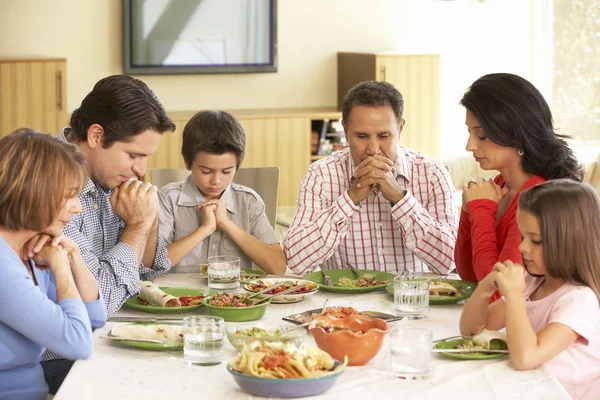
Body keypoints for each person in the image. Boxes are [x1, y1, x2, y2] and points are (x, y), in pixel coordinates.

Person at [35, 74, 176, 394]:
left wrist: (149, 217)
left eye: (146, 158)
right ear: (96, 135)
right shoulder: (50, 186)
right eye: (133, 155)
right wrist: (137, 227)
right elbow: (103, 302)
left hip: (100, 336)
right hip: (55, 356)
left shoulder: (108, 177)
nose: (141, 170)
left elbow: (147, 270)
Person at [284, 81, 458, 275]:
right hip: (343, 304)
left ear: (400, 128)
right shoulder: (321, 174)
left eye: (384, 136)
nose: (373, 149)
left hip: (411, 301)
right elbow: (296, 262)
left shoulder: (432, 174)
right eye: (362, 136)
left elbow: (448, 261)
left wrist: (400, 199)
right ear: (345, 130)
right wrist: (350, 199)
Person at [459, 180, 600, 399]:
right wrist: (485, 288)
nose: (522, 247)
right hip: (528, 389)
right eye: (523, 237)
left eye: (535, 240)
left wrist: (513, 295)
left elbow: (526, 358)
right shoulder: (533, 282)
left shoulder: (579, 300)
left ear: (570, 241)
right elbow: (472, 331)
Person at [455, 73, 582, 301]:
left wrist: (481, 212)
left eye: (482, 135)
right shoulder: (499, 186)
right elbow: (469, 278)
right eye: (470, 132)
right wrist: (468, 213)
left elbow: (497, 295)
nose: (470, 145)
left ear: (516, 135)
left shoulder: (538, 199)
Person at [0, 129, 106, 399]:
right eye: (69, 196)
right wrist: (59, 265)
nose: (77, 207)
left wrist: (73, 256)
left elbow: (95, 319)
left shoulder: (30, 251)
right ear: (34, 191)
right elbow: (78, 342)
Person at [158, 110, 286, 275]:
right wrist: (205, 229)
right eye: (205, 171)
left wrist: (227, 224)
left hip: (235, 298)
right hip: (181, 299)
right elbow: (154, 264)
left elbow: (277, 267)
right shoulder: (169, 199)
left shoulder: (248, 201)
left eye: (226, 171)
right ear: (188, 163)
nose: (216, 181)